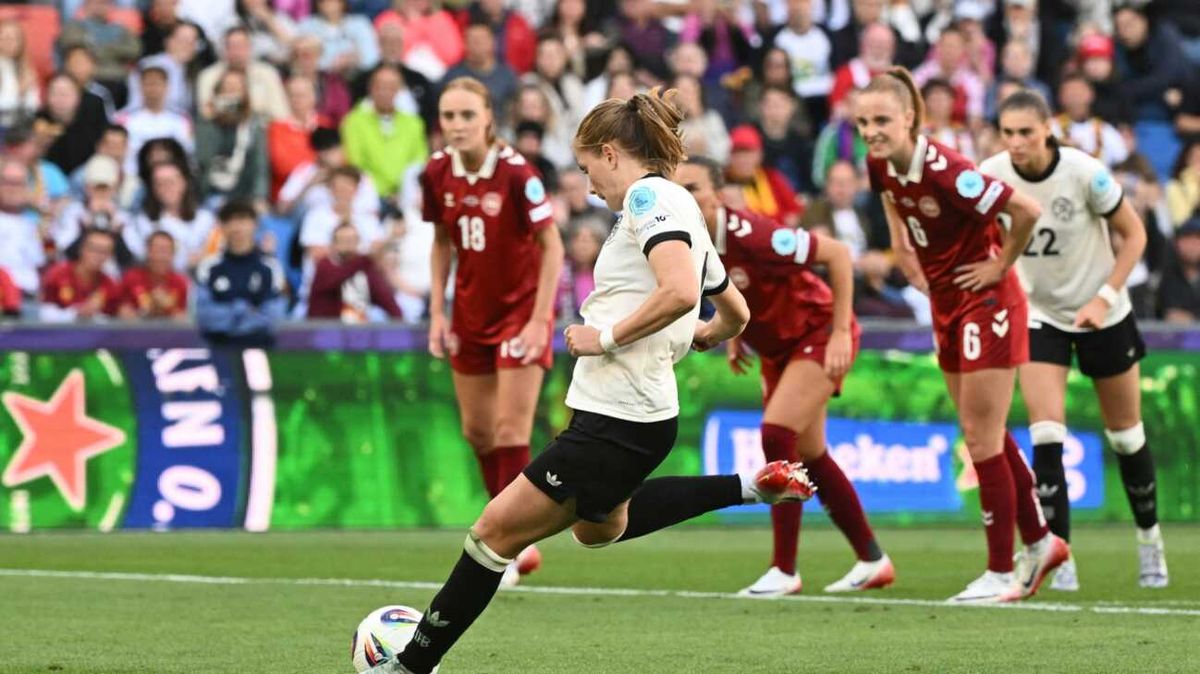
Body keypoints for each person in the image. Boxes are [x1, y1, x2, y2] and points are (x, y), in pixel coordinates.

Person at [393, 87, 814, 674]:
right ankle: (749, 486)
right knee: (598, 530)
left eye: (589, 167)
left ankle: (409, 664)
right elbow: (735, 311)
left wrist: (607, 336)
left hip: (618, 415)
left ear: (611, 153)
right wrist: (707, 336)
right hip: (639, 415)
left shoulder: (648, 197)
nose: (589, 184)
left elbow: (680, 291)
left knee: (491, 536)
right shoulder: (679, 205)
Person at [855, 67, 1067, 603]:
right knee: (985, 432)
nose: (871, 131)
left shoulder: (948, 169)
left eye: (881, 120)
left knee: (981, 440)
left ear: (909, 118)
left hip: (987, 301)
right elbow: (890, 199)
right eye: (862, 122)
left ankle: (1001, 571)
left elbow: (1026, 210)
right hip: (947, 305)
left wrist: (1001, 268)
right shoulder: (878, 163)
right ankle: (1041, 542)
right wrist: (903, 247)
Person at [677, 155, 893, 596]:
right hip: (778, 348)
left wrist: (838, 333)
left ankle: (785, 569)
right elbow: (737, 291)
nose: (685, 198)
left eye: (694, 188)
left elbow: (837, 253)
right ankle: (873, 560)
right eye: (678, 189)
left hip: (815, 333)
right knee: (809, 453)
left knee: (777, 434)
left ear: (718, 194)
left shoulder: (753, 234)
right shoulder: (689, 241)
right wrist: (736, 334)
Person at [981, 90, 1167, 591]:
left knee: (1126, 435)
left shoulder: (1085, 173)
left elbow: (1135, 236)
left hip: (1102, 312)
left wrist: (1104, 297)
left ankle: (1150, 539)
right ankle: (1059, 555)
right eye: (1008, 132)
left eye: (1026, 132)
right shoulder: (991, 173)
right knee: (1046, 434)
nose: (1016, 143)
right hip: (1040, 314)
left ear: (1047, 129)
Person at [420, 77, 564, 586]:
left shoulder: (517, 173)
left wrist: (539, 319)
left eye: (466, 115)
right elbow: (441, 242)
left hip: (520, 314)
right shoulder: (436, 173)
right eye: (448, 116)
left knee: (510, 431)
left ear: (488, 119)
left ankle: (503, 548)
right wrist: (436, 312)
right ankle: (508, 537)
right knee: (477, 432)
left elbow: (553, 247)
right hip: (469, 317)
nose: (456, 125)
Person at [195, 199, 287, 348]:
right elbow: (204, 316)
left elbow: (273, 317)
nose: (236, 227)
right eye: (230, 221)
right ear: (221, 227)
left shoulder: (271, 266)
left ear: (255, 225)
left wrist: (228, 314)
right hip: (217, 348)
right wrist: (244, 309)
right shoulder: (209, 266)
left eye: (243, 220)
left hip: (261, 348)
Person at [307, 221, 402, 322]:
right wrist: (369, 256)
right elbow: (338, 278)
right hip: (324, 327)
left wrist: (398, 318)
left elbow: (384, 298)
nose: (349, 244)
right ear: (334, 243)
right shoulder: (325, 266)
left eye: (352, 239)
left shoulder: (364, 268)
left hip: (357, 329)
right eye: (344, 240)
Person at [39, 228, 120, 323]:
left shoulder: (110, 284)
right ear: (82, 249)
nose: (98, 256)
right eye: (94, 249)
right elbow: (43, 314)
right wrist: (77, 313)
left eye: (105, 251)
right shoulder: (58, 273)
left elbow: (115, 320)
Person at [116, 230, 190, 320]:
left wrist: (168, 309)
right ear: (147, 252)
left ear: (173, 254)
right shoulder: (131, 278)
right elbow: (121, 312)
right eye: (157, 250)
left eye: (166, 251)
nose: (161, 257)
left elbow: (182, 318)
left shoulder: (180, 282)